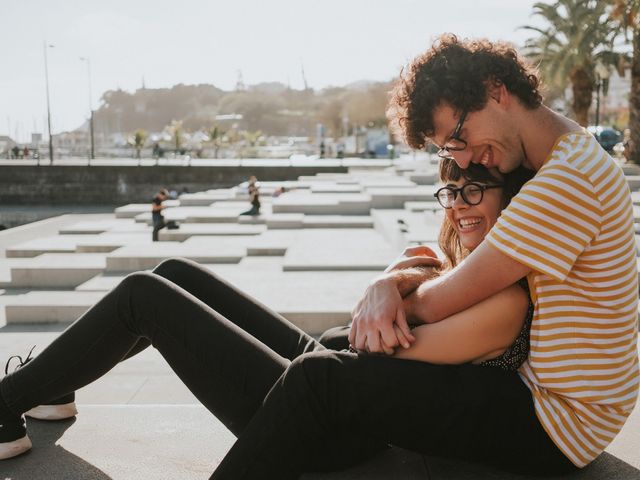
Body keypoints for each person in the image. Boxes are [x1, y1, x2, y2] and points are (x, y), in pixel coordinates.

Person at [0, 158, 544, 478]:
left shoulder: (506, 301)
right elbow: (393, 298)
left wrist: (395, 286)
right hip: (330, 379)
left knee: (143, 295)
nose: (459, 204)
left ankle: (6, 402)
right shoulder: (465, 270)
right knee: (174, 270)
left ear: (511, 198)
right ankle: (53, 384)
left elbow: (378, 348)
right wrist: (395, 282)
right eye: (451, 189)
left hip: (330, 424)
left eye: (476, 188)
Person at [351, 34, 638, 471]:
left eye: (460, 136)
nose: (462, 162)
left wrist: (387, 289)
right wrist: (389, 283)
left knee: (325, 377)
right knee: (332, 359)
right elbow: (456, 274)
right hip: (544, 397)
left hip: (558, 419)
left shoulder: (570, 178)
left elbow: (438, 303)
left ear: (495, 90)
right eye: (450, 148)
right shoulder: (563, 157)